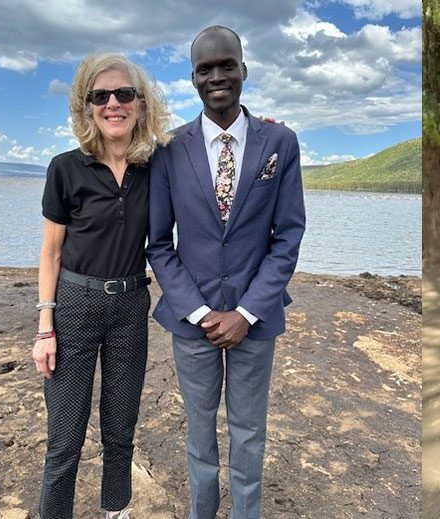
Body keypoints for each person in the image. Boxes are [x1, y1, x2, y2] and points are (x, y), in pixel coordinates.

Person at [146, 25, 305, 518]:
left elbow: (288, 237)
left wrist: (246, 313)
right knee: (198, 432)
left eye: (226, 65)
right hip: (191, 323)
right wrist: (197, 312)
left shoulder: (280, 142)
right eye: (205, 69)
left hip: (254, 323)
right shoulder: (169, 149)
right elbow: (158, 243)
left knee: (249, 432)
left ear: (244, 69)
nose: (217, 76)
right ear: (193, 77)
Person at [32, 53, 171, 519]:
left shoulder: (157, 167)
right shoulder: (65, 168)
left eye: (124, 94)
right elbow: (50, 253)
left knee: (120, 431)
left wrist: (262, 131)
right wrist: (44, 328)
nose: (113, 103)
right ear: (86, 106)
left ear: (140, 103)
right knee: (65, 439)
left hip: (131, 307)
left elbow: (204, 148)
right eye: (100, 96)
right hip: (73, 306)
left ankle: (117, 512)